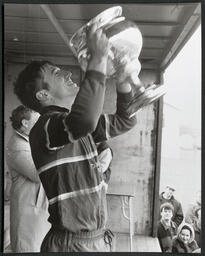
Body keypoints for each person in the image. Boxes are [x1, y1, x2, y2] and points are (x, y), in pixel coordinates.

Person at [13, 24, 140, 252]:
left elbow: (125, 120)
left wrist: (122, 79)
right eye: (56, 73)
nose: (68, 73)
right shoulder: (45, 128)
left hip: (96, 239)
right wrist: (98, 62)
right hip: (71, 245)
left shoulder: (74, 126)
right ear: (43, 95)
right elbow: (85, 120)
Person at [6, 105, 51, 252]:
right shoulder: (17, 146)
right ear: (25, 123)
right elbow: (38, 174)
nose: (41, 122)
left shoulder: (29, 141)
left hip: (37, 209)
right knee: (28, 247)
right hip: (27, 211)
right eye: (38, 119)